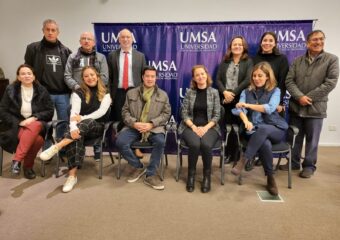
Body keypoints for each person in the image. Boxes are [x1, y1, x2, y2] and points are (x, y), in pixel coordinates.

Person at [39, 66, 111, 192]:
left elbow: (101, 112)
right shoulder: (78, 93)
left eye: (92, 75)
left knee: (87, 122)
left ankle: (58, 145)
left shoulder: (106, 92)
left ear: (97, 76)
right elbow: (73, 114)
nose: (90, 78)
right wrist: (72, 128)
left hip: (97, 127)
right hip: (79, 128)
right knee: (75, 137)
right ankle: (72, 177)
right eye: (86, 76)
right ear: (83, 79)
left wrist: (82, 117)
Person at [283, 30, 339, 178]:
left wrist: (309, 97)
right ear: (307, 43)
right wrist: (299, 96)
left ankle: (309, 166)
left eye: (321, 39)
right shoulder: (297, 60)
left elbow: (331, 82)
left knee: (312, 139)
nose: (318, 42)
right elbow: (289, 81)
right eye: (314, 40)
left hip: (316, 108)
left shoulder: (332, 59)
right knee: (294, 137)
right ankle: (293, 163)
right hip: (296, 106)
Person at [231, 62, 288, 196]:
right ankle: (270, 178)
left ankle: (244, 159)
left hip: (275, 128)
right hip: (254, 130)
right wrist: (246, 121)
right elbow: (239, 109)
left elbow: (269, 109)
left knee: (263, 129)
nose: (257, 78)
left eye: (260, 76)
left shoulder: (276, 91)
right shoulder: (246, 91)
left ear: (267, 76)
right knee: (265, 143)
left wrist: (248, 105)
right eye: (254, 75)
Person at [115, 66, 171, 190]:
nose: (150, 79)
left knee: (160, 142)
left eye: (152, 76)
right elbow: (125, 112)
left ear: (156, 78)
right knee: (120, 142)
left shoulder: (163, 95)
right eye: (147, 76)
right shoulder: (131, 93)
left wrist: (151, 124)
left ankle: (150, 174)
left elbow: (166, 114)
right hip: (134, 127)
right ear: (142, 77)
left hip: (153, 128)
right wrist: (134, 123)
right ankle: (138, 166)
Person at [24, 19, 72, 153]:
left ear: (58, 32)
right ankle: (46, 151)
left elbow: (70, 73)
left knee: (64, 123)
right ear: (43, 30)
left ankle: (61, 151)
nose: (50, 32)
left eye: (53, 30)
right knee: (44, 125)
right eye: (48, 30)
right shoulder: (33, 48)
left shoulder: (66, 51)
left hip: (63, 94)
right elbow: (28, 70)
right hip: (43, 94)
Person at [0, 64, 54, 179]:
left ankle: (17, 160)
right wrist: (19, 122)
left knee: (34, 125)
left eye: (29, 73)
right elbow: (3, 110)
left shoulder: (42, 90)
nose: (26, 76)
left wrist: (33, 117)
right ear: (18, 77)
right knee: (38, 140)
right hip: (16, 125)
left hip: (38, 123)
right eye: (23, 74)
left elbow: (49, 111)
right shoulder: (11, 90)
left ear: (34, 76)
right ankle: (28, 167)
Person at [64, 31, 109, 161]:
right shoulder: (72, 57)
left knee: (91, 121)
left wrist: (95, 89)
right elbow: (67, 75)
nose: (86, 41)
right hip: (80, 95)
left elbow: (104, 77)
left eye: (89, 39)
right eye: (83, 38)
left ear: (93, 42)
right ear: (80, 41)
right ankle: (76, 155)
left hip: (97, 95)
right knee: (77, 121)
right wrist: (80, 89)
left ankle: (97, 151)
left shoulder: (101, 57)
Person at [179, 65, 221, 193]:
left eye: (202, 74)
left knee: (206, 145)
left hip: (210, 127)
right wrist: (193, 127)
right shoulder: (190, 93)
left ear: (206, 75)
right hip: (190, 127)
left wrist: (205, 128)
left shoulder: (214, 93)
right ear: (194, 78)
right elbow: (184, 113)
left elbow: (217, 115)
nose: (200, 77)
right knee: (195, 144)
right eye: (197, 75)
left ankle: (206, 176)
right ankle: (191, 175)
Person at [107, 28, 146, 158]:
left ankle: (136, 148)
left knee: (135, 120)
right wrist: (109, 95)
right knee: (120, 119)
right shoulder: (112, 55)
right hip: (118, 92)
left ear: (132, 39)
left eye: (128, 37)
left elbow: (144, 77)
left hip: (135, 92)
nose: (125, 39)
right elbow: (109, 78)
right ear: (119, 40)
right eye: (122, 37)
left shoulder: (140, 56)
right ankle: (122, 149)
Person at [216, 35, 253, 164]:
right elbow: (218, 79)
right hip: (225, 100)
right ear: (230, 47)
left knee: (239, 128)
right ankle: (228, 154)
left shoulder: (248, 61)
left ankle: (237, 155)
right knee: (228, 128)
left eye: (240, 44)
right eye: (234, 44)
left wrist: (232, 94)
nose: (237, 46)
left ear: (243, 47)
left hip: (239, 100)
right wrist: (225, 92)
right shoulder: (225, 61)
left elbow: (248, 80)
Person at [253, 31, 289, 112]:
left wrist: (279, 102)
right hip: (257, 101)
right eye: (265, 40)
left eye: (270, 41)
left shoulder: (282, 59)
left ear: (275, 43)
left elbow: (282, 82)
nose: (267, 43)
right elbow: (252, 80)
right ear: (261, 43)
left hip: (275, 101)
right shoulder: (254, 59)